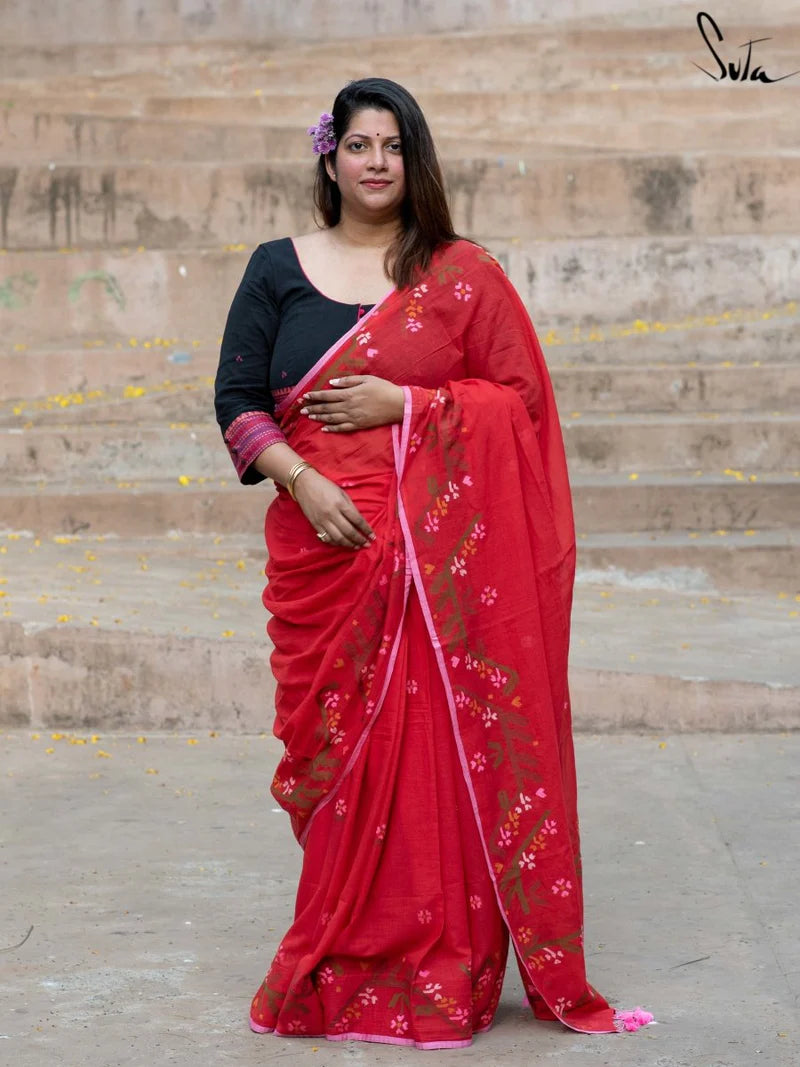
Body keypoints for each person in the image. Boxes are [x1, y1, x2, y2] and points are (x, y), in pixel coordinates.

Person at [214, 77, 651, 1050]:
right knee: (340, 782)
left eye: (393, 146)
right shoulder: (276, 268)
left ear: (416, 163)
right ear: (328, 158)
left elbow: (519, 404)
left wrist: (406, 408)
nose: (375, 163)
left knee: (437, 778)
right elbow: (236, 400)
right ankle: (335, 953)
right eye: (359, 145)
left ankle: (442, 960)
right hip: (323, 561)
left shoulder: (458, 274)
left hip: (438, 575)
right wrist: (301, 482)